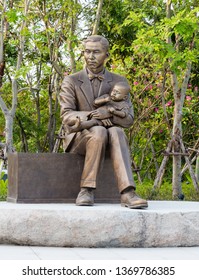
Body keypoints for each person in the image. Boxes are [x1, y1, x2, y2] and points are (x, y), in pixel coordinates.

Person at [59, 35, 148, 209]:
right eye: (87, 52)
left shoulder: (119, 82)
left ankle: (128, 193)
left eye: (96, 52)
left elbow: (128, 120)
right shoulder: (71, 81)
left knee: (117, 131)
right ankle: (86, 190)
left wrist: (107, 113)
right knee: (99, 131)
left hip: (111, 138)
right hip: (80, 137)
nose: (91, 56)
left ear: (107, 55)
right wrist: (95, 118)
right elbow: (67, 115)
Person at [64, 81, 131, 133]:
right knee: (91, 122)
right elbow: (95, 102)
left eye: (118, 93)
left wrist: (114, 112)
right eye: (114, 91)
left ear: (124, 97)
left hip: (105, 122)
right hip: (96, 114)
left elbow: (124, 114)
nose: (114, 93)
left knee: (92, 122)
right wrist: (104, 100)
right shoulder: (106, 96)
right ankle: (74, 127)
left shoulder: (124, 104)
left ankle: (76, 127)